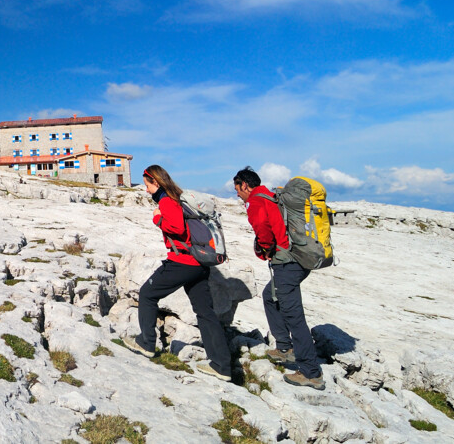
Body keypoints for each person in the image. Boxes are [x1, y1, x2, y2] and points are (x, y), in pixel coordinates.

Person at [122, 165, 232, 382]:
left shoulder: (166, 200)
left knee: (147, 294)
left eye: (147, 186)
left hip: (182, 262)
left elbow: (177, 228)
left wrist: (157, 219)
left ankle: (146, 343)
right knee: (205, 312)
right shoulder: (179, 197)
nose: (146, 190)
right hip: (199, 263)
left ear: (156, 182)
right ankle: (222, 365)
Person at [233, 166, 325, 390]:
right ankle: (284, 348)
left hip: (288, 262)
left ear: (245, 185)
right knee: (270, 296)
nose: (237, 193)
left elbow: (263, 229)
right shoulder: (272, 196)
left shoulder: (257, 201)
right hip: (297, 260)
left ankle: (311, 372)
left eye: (237, 188)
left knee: (294, 315)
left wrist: (264, 249)